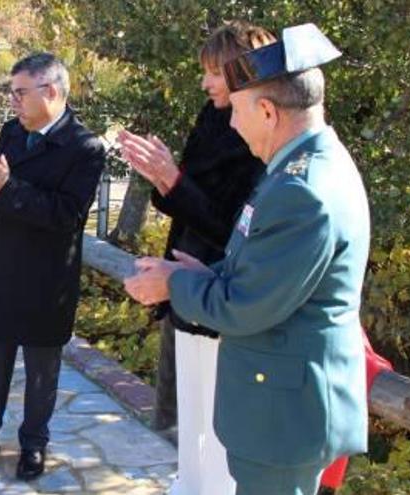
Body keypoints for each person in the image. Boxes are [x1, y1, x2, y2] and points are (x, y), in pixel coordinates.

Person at [123, 23, 370, 495]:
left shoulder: (301, 191)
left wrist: (173, 284)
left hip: (283, 419)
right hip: (284, 410)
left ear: (267, 111)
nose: (231, 123)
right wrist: (203, 273)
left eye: (236, 110)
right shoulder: (308, 166)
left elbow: (245, 304)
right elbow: (261, 265)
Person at [117, 20, 275, 495]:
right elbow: (193, 201)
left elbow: (235, 232)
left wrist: (174, 179)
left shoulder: (262, 136)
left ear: (243, 71)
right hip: (185, 284)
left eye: (213, 73)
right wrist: (167, 179)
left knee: (218, 426)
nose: (205, 83)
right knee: (191, 419)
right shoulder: (212, 118)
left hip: (221, 295)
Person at [0, 53, 106, 480]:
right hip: (3, 264)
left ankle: (34, 444)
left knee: (40, 369)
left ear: (50, 91)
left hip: (47, 277)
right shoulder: (14, 132)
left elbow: (67, 214)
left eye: (19, 93)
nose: (12, 102)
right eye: (12, 93)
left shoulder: (85, 148)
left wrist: (9, 187)